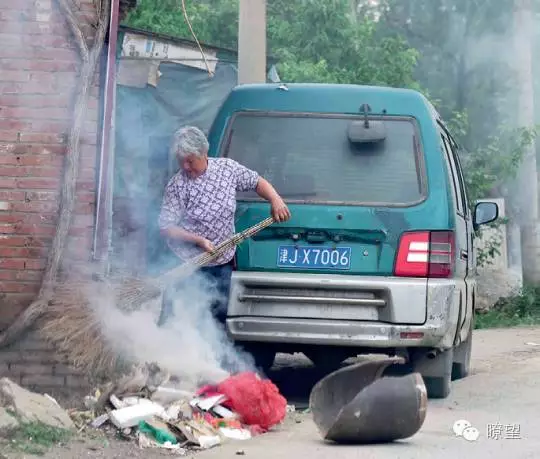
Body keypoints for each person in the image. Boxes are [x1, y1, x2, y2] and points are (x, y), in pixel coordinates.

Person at [157, 125, 291, 326]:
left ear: (204, 153)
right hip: (186, 263)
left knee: (217, 319)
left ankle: (213, 357)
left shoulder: (227, 169)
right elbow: (166, 227)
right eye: (181, 161)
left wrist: (275, 199)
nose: (185, 166)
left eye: (190, 161)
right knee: (179, 316)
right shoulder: (177, 185)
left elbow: (256, 182)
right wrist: (198, 240)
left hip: (222, 260)